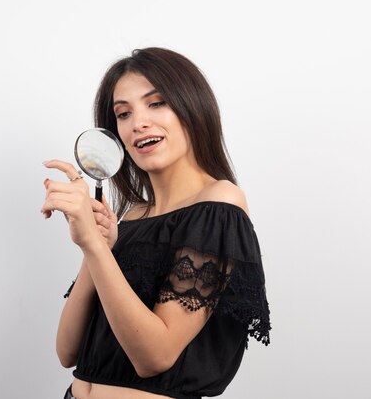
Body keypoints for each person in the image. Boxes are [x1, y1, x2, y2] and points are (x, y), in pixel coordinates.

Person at [41, 47, 271, 399]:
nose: (138, 123)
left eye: (157, 103)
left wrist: (93, 245)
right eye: (123, 113)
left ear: (192, 107)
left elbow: (155, 357)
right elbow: (67, 350)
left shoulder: (219, 205)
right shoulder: (130, 215)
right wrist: (96, 246)